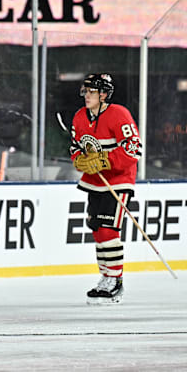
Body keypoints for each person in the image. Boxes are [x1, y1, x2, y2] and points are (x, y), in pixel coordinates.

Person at [70, 73, 141, 305]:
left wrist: (106, 160)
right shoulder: (80, 117)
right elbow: (75, 147)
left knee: (109, 230)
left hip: (118, 181)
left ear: (103, 94)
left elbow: (133, 150)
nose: (86, 96)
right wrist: (79, 159)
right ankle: (106, 278)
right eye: (85, 91)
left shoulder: (119, 114)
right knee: (98, 230)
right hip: (94, 182)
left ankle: (116, 281)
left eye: (91, 92)